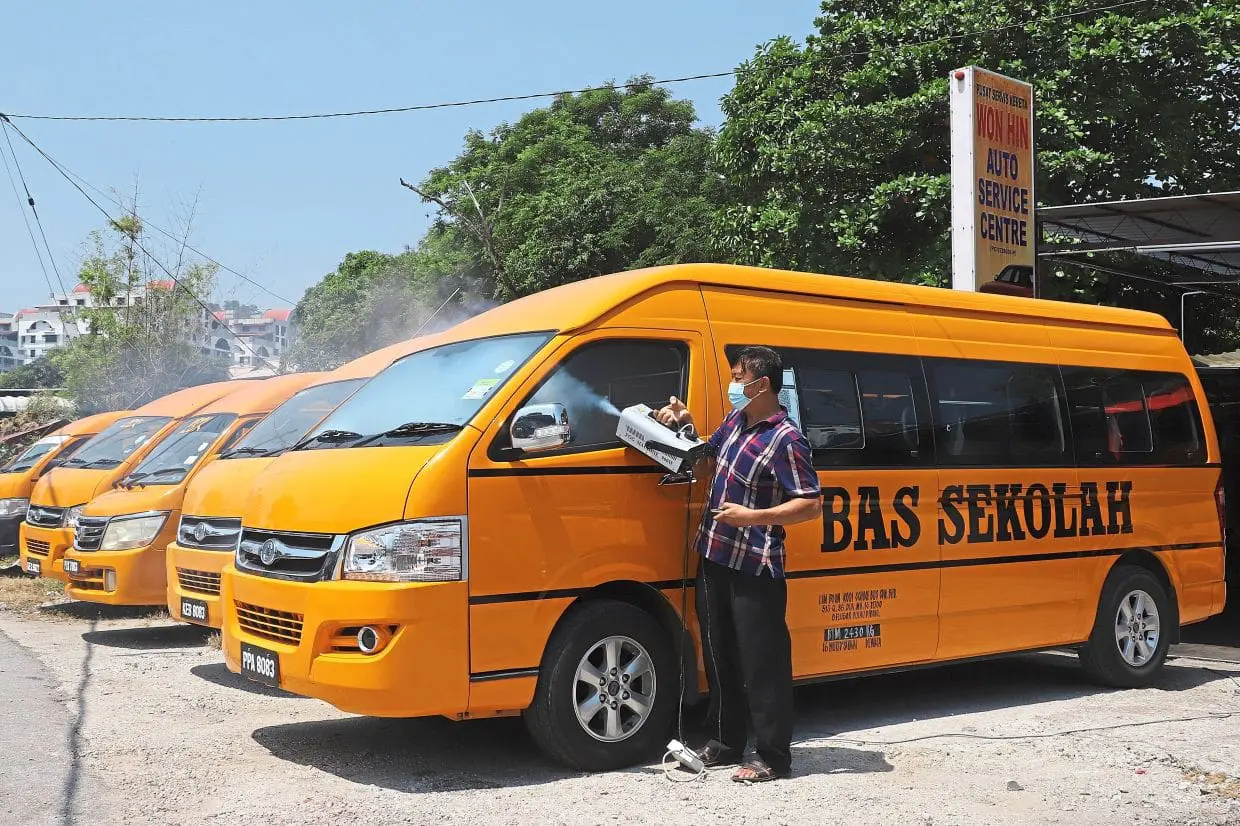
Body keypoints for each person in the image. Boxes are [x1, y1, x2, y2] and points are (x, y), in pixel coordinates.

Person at [657, 346, 821, 783]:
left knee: (762, 663)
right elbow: (708, 453)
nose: (731, 386)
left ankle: (772, 756)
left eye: (736, 378)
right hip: (714, 554)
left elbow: (809, 505)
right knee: (719, 655)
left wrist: (753, 517)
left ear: (761, 384)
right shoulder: (735, 422)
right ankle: (725, 742)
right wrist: (685, 422)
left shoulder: (787, 438)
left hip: (756, 566)